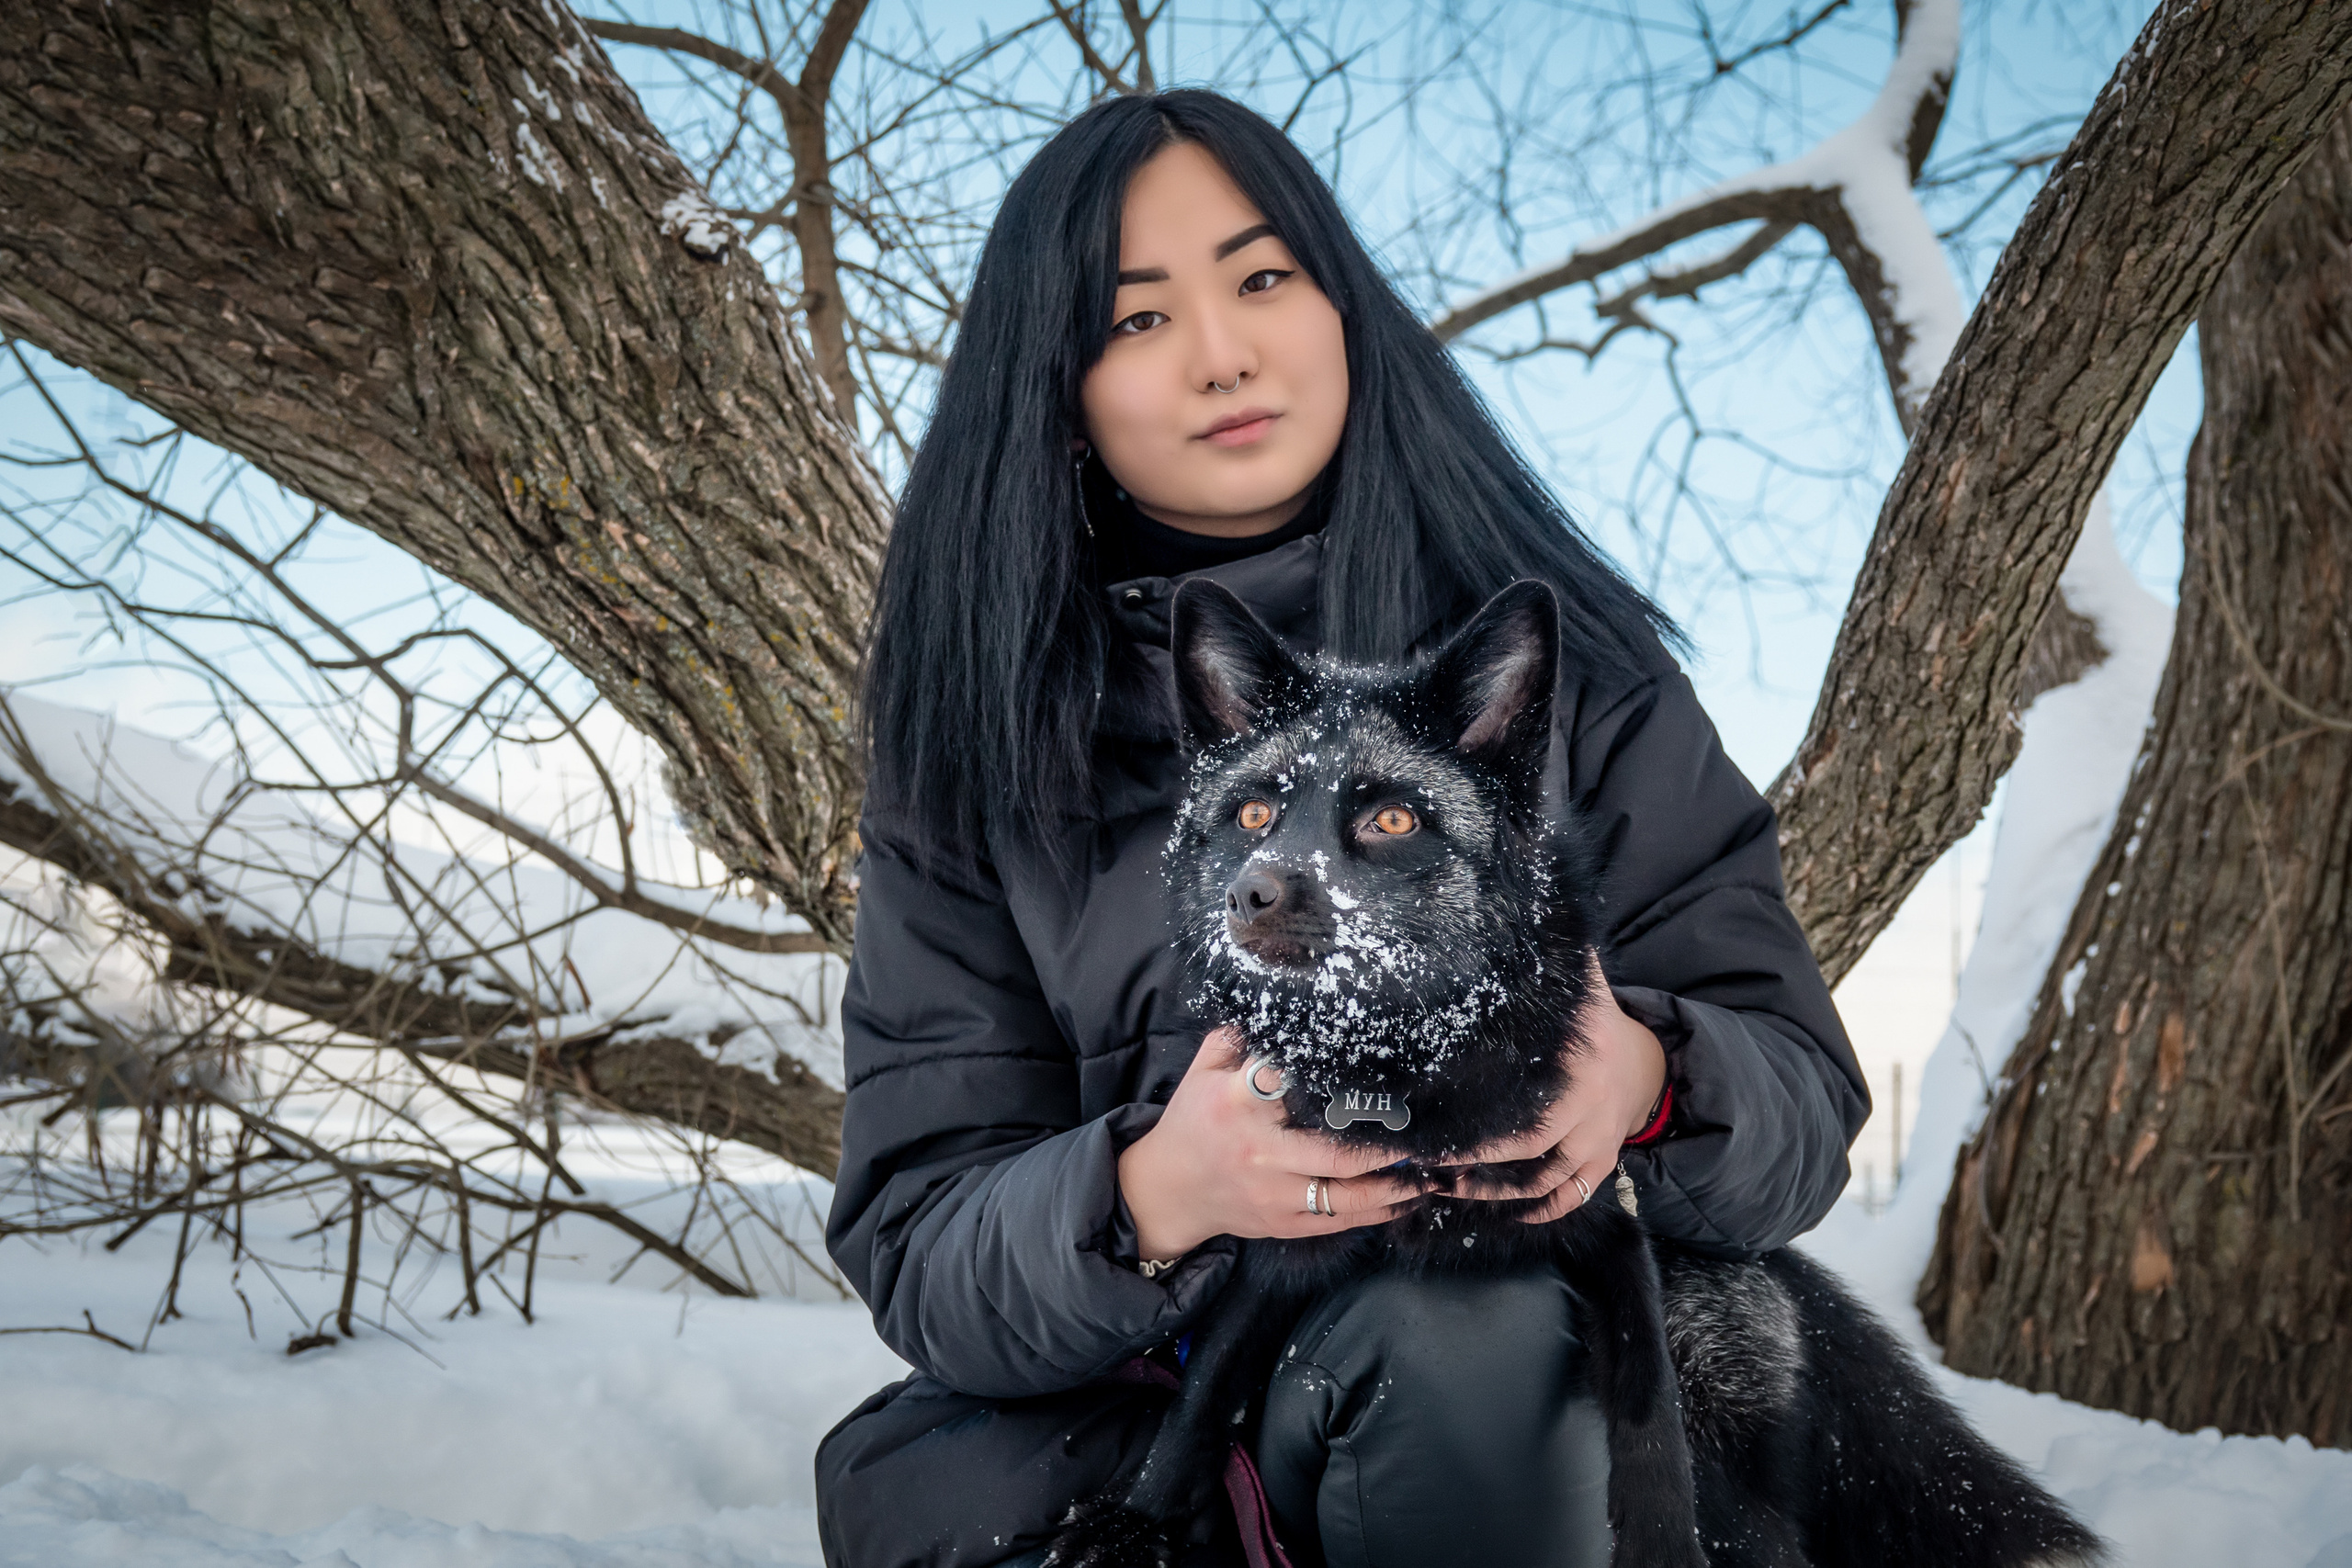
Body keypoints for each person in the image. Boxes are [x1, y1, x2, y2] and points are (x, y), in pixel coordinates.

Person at [818, 90, 1866, 1568]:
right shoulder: (977, 759)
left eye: (1262, 279)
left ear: (1344, 310)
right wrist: (1152, 1191)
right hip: (1129, 1439)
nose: (1222, 351)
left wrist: (1644, 1077)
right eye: (1135, 321)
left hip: (1528, 1429)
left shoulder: (1574, 687)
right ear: (1057, 394)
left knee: (1470, 1346)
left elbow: (1800, 1108)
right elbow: (924, 1247)